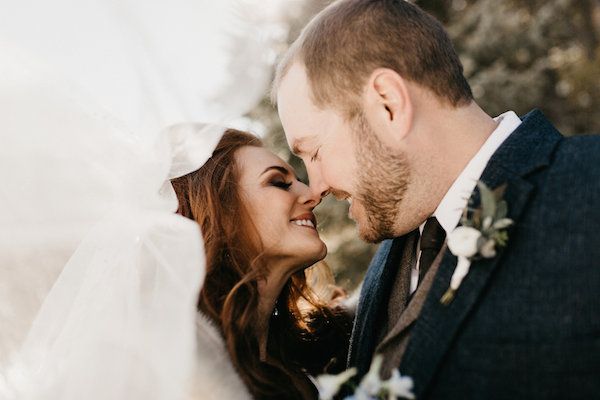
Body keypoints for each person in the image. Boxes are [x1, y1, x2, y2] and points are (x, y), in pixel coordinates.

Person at [272, 0, 600, 399]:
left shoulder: (590, 183)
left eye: (314, 152)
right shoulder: (390, 259)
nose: (316, 186)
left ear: (389, 105)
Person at [171, 128, 352, 400]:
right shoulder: (181, 363)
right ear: (221, 212)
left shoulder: (305, 347)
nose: (312, 193)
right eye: (278, 182)